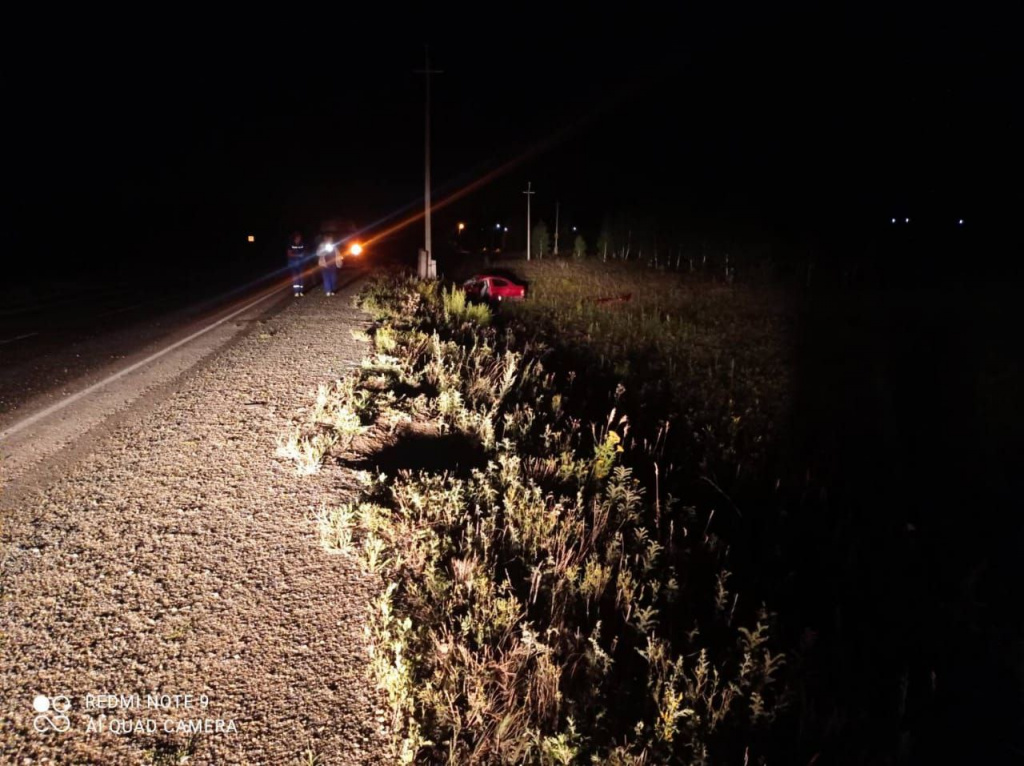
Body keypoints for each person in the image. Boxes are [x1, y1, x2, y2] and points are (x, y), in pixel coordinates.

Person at [287, 231, 307, 297]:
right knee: (295, 278)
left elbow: (305, 252)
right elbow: (289, 254)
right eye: (298, 238)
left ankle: (301, 291)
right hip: (293, 263)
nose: (299, 239)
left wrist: (303, 255)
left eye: (300, 238)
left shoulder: (302, 244)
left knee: (301, 277)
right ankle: (296, 292)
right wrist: (298, 255)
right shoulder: (291, 244)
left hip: (301, 263)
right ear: (295, 238)